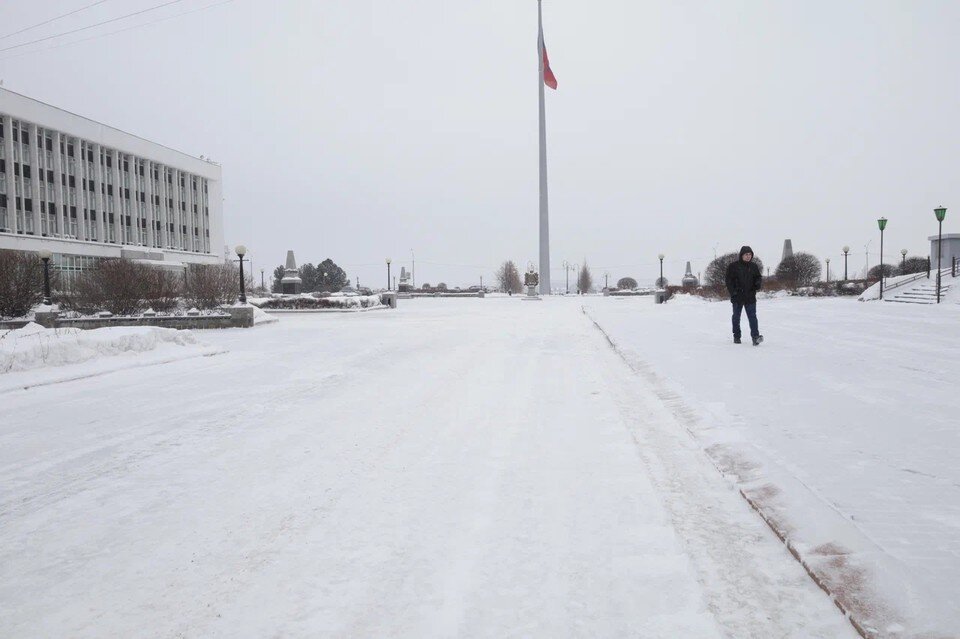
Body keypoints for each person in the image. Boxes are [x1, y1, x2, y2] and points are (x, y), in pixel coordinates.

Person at [725, 246, 764, 345]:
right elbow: (728, 281)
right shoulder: (733, 266)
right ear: (741, 255)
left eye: (750, 254)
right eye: (746, 254)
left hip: (750, 296)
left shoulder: (754, 266)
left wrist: (758, 283)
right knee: (736, 317)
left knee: (752, 317)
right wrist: (733, 292)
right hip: (737, 297)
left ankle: (755, 337)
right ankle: (737, 336)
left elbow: (758, 277)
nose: (748, 256)